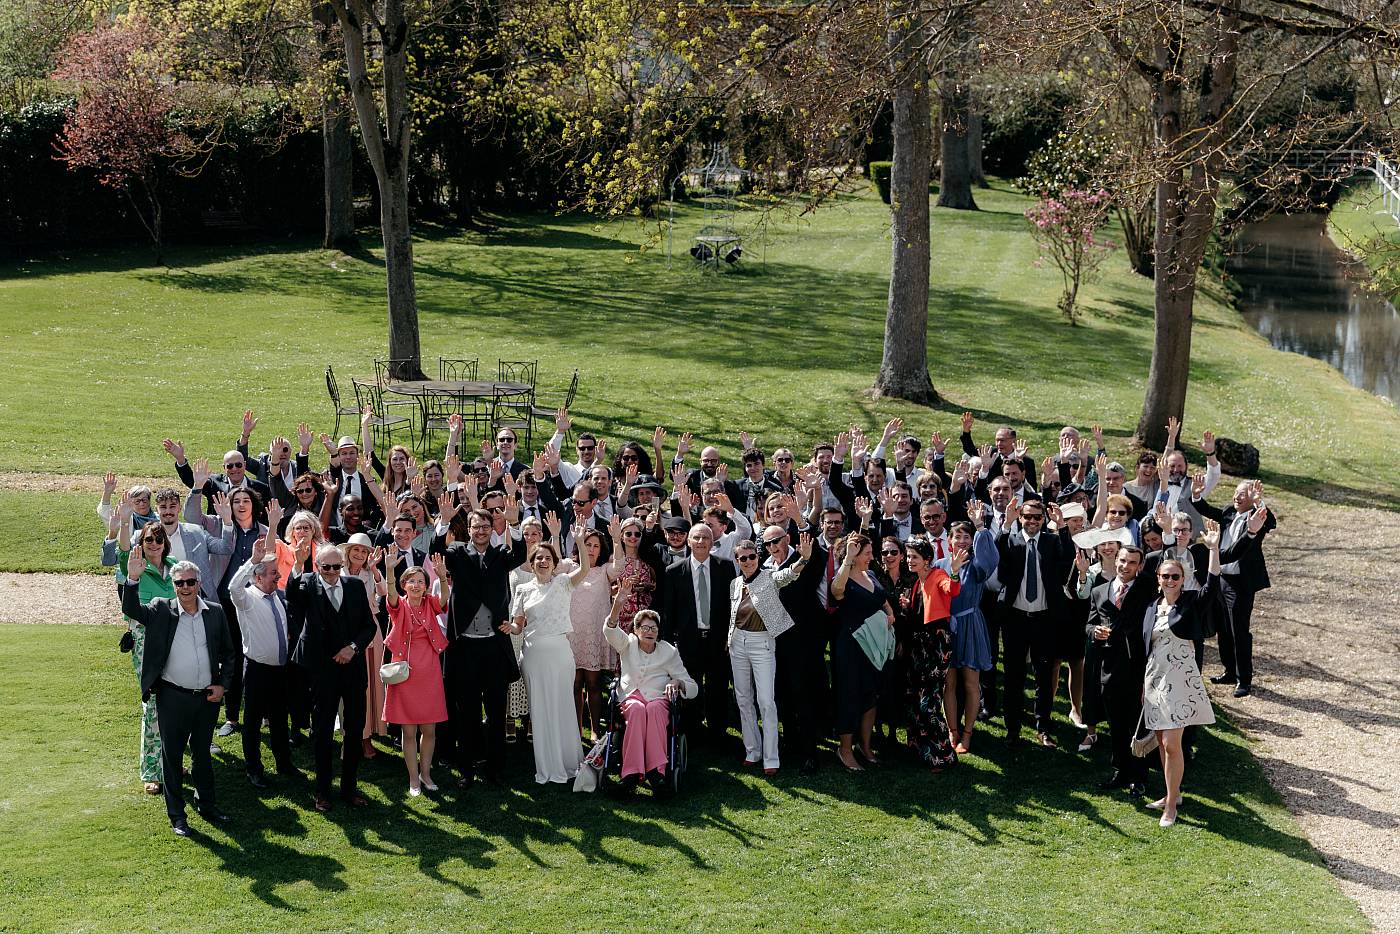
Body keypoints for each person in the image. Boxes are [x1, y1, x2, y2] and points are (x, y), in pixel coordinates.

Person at [120, 555, 236, 837]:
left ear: (199, 584)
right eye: (180, 583)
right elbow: (131, 609)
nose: (185, 587)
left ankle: (207, 805)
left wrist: (222, 685)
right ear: (173, 585)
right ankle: (177, 816)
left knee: (202, 756)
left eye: (190, 582)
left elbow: (229, 653)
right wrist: (132, 580)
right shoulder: (161, 609)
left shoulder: (215, 612)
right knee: (172, 758)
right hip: (172, 697)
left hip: (206, 699)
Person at [433, 499, 526, 787]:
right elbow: (436, 552)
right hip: (465, 647)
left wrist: (514, 524)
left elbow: (521, 554)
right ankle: (467, 769)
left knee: (496, 712)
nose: (481, 531)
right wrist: (444, 523)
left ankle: (495, 769)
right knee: (468, 713)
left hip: (493, 646)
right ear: (469, 529)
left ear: (492, 527)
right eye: (476, 527)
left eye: (486, 526)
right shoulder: (457, 552)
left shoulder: (501, 554)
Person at [1142, 522, 1224, 828]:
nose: (1170, 580)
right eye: (1165, 576)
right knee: (1161, 741)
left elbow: (1212, 587)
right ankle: (1171, 795)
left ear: (1183, 579)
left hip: (1180, 681)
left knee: (1172, 744)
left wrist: (1213, 550)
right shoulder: (1152, 607)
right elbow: (1146, 648)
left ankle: (1171, 808)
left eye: (1175, 576)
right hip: (1154, 679)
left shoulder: (1190, 603)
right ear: (1158, 579)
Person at [288, 543, 377, 812]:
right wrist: (298, 564)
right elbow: (292, 597)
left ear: (343, 565)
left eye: (336, 567)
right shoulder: (306, 584)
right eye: (325, 567)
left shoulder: (354, 586)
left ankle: (349, 789)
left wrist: (353, 648)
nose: (331, 572)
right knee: (323, 732)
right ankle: (322, 791)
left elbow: (368, 626)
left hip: (353, 670)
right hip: (322, 671)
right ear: (317, 566)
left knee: (354, 729)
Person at [509, 533, 593, 785]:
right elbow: (518, 624)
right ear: (532, 562)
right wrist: (510, 627)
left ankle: (568, 761)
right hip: (533, 654)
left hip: (560, 653)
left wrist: (580, 541)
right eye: (538, 558)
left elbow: (585, 569)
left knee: (563, 706)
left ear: (554, 563)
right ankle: (546, 764)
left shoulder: (564, 583)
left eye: (547, 558)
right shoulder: (523, 589)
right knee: (540, 710)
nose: (543, 561)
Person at [115, 498, 185, 794]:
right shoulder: (135, 565)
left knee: (177, 702)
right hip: (146, 639)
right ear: (141, 544)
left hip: (176, 637)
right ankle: (151, 771)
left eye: (158, 539)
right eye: (148, 540)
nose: (154, 543)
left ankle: (172, 763)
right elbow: (121, 552)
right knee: (154, 705)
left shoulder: (175, 566)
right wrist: (123, 521)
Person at [727, 534, 811, 774]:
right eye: (743, 558)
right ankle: (752, 751)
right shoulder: (735, 583)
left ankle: (771, 757)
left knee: (766, 700)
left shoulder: (768, 577)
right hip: (737, 643)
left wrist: (803, 559)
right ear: (737, 561)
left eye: (752, 556)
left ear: (757, 557)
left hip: (762, 642)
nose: (748, 561)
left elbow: (789, 575)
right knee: (743, 698)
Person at [995, 499, 1073, 748]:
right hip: (1015, 619)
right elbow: (998, 556)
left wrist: (1062, 526)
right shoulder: (1011, 540)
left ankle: (1043, 728)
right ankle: (1013, 729)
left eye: (1037, 517)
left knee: (1044, 677)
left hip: (1044, 619)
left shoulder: (1051, 541)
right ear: (1021, 518)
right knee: (1014, 677)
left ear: (1043, 519)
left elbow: (1068, 558)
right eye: (1027, 516)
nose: (1031, 521)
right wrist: (1006, 524)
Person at [604, 591, 698, 791]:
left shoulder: (669, 651)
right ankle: (631, 774)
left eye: (654, 628)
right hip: (631, 696)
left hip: (658, 698)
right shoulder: (628, 644)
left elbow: (693, 687)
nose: (650, 632)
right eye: (645, 627)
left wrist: (677, 682)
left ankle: (657, 772)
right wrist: (617, 607)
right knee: (637, 710)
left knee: (654, 710)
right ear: (636, 630)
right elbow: (610, 632)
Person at [1193, 478, 1276, 697]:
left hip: (1241, 582)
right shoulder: (1230, 512)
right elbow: (1208, 510)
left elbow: (1271, 521)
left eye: (1242, 494)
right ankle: (1230, 670)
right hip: (1222, 577)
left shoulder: (1257, 517)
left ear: (1252, 498)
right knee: (1223, 628)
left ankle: (1244, 679)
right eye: (1236, 493)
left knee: (1239, 630)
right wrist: (1196, 495)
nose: (1237, 497)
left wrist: (1259, 503)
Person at [228, 538, 299, 788]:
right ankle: (254, 769)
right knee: (253, 722)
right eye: (272, 573)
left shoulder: (277, 596)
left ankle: (284, 763)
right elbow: (233, 587)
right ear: (258, 577)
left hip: (280, 670)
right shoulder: (246, 599)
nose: (278, 576)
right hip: (257, 670)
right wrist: (253, 561)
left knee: (279, 719)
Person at [383, 552, 451, 797]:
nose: (416, 585)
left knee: (429, 730)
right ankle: (413, 779)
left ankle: (426, 774)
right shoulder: (398, 605)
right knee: (409, 732)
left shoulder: (430, 602)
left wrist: (442, 577)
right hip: (405, 673)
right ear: (404, 585)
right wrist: (389, 571)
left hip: (429, 672)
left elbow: (444, 599)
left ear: (425, 586)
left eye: (420, 581)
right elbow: (390, 596)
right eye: (411, 581)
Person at [660, 524, 737, 742]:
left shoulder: (725, 567)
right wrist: (669, 644)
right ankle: (692, 732)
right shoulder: (674, 571)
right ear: (689, 541)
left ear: (712, 542)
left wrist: (730, 636)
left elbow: (732, 605)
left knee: (717, 686)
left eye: (705, 538)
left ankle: (717, 732)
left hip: (717, 639)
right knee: (690, 686)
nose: (701, 541)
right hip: (688, 641)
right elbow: (669, 612)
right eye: (696, 537)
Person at [831, 532, 897, 771]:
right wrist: (848, 559)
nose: (871, 557)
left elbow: (882, 598)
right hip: (852, 646)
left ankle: (865, 747)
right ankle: (845, 750)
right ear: (853, 555)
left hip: (874, 645)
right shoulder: (843, 578)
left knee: (871, 694)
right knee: (849, 695)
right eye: (867, 553)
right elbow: (836, 591)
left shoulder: (871, 574)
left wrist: (890, 613)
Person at [901, 537, 964, 772]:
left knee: (929, 701)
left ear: (927, 559)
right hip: (918, 645)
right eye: (908, 556)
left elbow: (952, 589)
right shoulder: (916, 581)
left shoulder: (938, 575)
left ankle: (943, 755)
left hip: (935, 644)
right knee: (914, 697)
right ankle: (921, 748)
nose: (909, 560)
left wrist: (954, 572)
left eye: (914, 557)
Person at [945, 513, 998, 753]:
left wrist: (980, 527)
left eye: (967, 537)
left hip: (970, 626)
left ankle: (967, 733)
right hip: (947, 628)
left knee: (971, 683)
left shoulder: (977, 566)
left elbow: (991, 558)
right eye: (958, 536)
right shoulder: (940, 565)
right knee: (949, 683)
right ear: (949, 540)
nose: (962, 541)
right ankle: (952, 731)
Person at [562, 525, 618, 741]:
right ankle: (576, 729)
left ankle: (595, 729)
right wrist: (557, 535)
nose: (591, 549)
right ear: (579, 546)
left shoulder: (604, 570)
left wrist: (616, 539)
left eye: (596, 546)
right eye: (587, 545)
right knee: (575, 684)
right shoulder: (569, 567)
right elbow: (553, 566)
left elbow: (619, 568)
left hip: (594, 635)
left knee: (594, 684)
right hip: (573, 635)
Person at [342, 533, 390, 758]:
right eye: (356, 550)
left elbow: (384, 593)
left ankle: (367, 736)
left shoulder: (370, 572)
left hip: (370, 631)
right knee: (347, 686)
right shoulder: (337, 570)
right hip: (344, 632)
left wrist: (375, 570)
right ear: (348, 551)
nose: (360, 554)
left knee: (370, 685)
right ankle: (349, 738)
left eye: (364, 551)